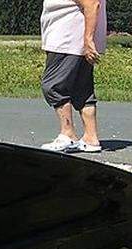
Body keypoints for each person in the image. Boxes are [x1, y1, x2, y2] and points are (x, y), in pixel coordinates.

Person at [39, 0, 108, 153]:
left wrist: (88, 40)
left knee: (53, 86)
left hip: (67, 39)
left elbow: (91, 4)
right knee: (81, 88)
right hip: (74, 40)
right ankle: (91, 137)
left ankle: (67, 133)